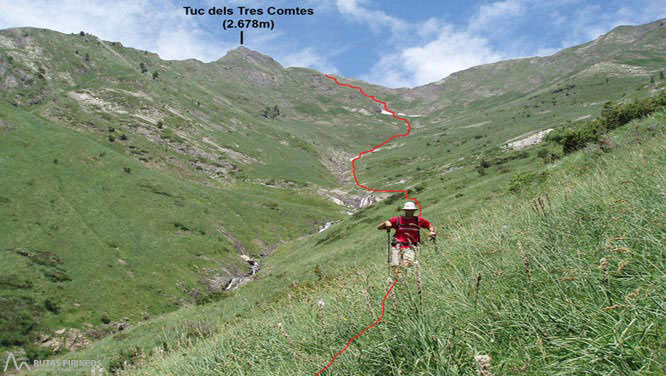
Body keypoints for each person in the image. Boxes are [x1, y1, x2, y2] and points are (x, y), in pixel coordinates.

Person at [377, 201, 436, 274]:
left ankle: (405, 280)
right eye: (408, 210)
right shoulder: (397, 219)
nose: (410, 212)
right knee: (395, 266)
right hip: (397, 246)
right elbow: (379, 227)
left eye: (411, 210)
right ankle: (398, 281)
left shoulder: (419, 220)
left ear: (414, 211)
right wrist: (385, 223)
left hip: (412, 247)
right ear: (404, 210)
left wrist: (432, 231)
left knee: (407, 265)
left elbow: (429, 225)